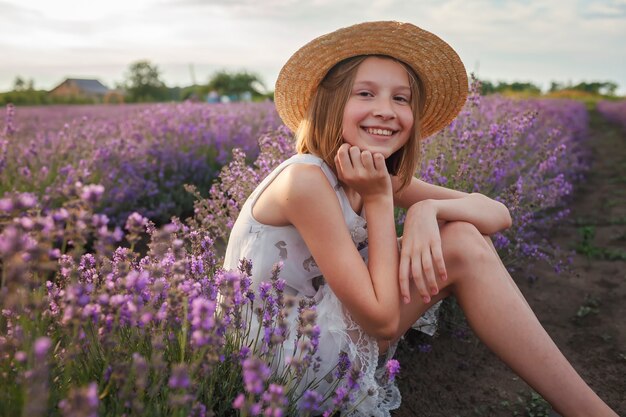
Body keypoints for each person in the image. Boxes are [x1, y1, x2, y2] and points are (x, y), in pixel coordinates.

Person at [223, 21, 618, 417]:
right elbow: (381, 321)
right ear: (330, 104)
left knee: (462, 235)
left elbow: (498, 214)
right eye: (365, 93)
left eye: (401, 98)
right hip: (281, 368)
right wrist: (381, 201)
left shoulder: (371, 175)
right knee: (461, 244)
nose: (386, 110)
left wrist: (426, 209)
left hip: (320, 335)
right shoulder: (305, 179)